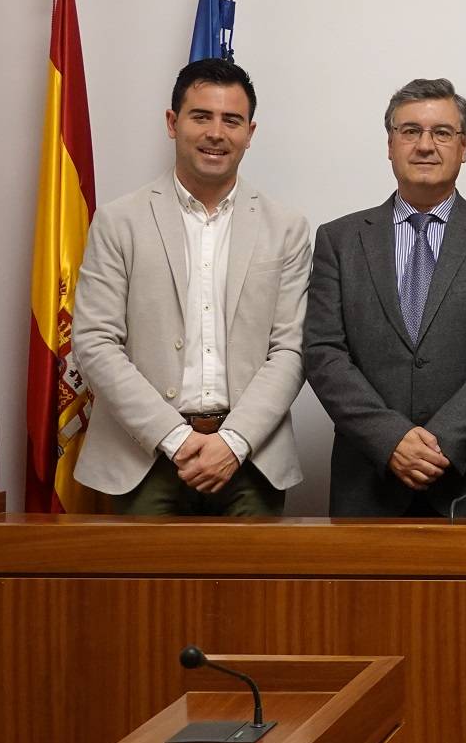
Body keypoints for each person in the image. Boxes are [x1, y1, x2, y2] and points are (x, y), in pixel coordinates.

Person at [72, 59, 309, 515]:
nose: (216, 133)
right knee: (142, 590)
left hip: (251, 460)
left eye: (231, 120)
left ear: (250, 132)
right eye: (201, 116)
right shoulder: (118, 221)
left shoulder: (288, 228)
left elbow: (291, 349)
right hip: (140, 458)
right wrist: (177, 439)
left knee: (257, 589)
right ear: (172, 122)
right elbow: (95, 341)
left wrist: (234, 442)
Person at [304, 79, 466, 518]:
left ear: (464, 146)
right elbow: (323, 353)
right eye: (410, 131)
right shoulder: (339, 240)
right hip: (369, 483)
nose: (425, 145)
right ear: (390, 143)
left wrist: (445, 441)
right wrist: (390, 439)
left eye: (442, 132)